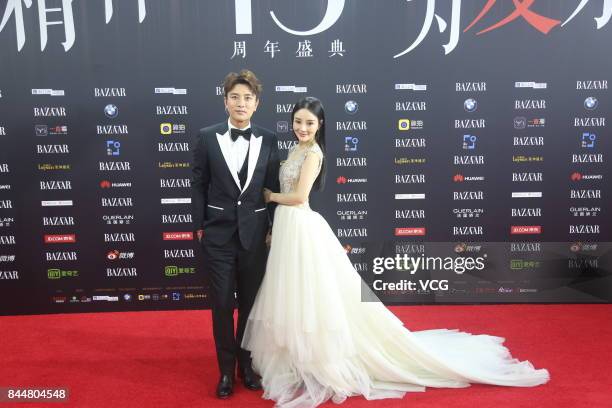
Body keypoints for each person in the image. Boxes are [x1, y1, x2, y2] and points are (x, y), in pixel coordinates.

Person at [242, 96, 549, 407]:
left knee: (312, 297)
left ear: (320, 125)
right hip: (286, 228)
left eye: (309, 122)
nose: (302, 127)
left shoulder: (314, 154)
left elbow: (299, 196)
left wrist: (269, 195)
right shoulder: (296, 149)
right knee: (292, 294)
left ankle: (318, 360)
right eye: (298, 122)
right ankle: (296, 359)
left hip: (300, 224)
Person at [191, 69, 280, 398]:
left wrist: (272, 227)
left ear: (256, 103)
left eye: (247, 98)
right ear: (225, 100)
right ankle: (225, 372)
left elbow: (272, 188)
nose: (241, 103)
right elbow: (198, 184)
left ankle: (247, 365)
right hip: (218, 237)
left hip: (256, 236)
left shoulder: (269, 139)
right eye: (235, 97)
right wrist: (199, 225)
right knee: (221, 305)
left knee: (251, 307)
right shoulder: (206, 136)